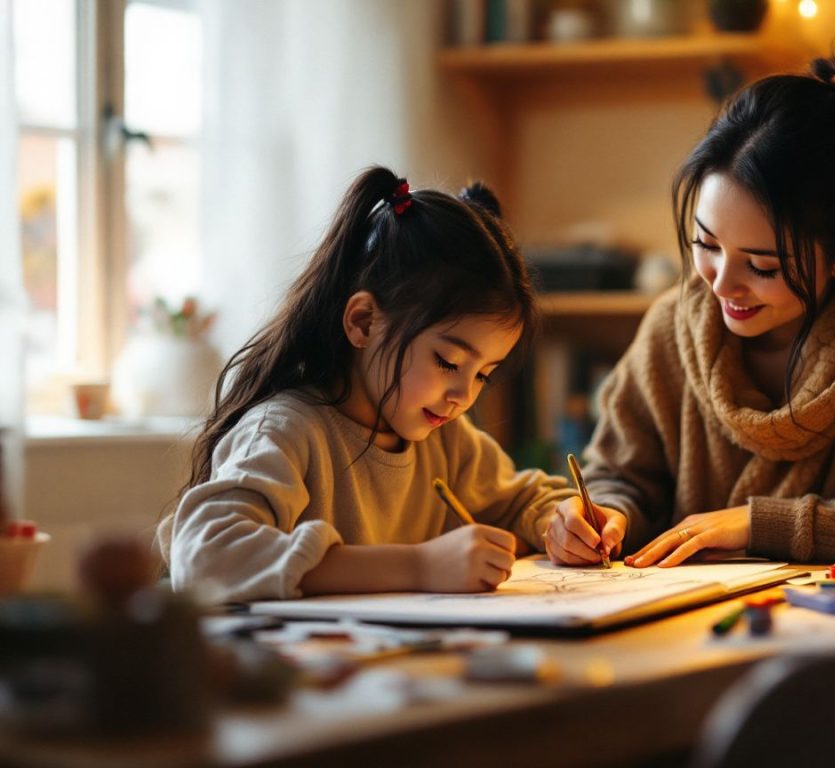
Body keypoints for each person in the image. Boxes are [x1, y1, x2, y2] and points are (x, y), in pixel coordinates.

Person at [543, 28, 835, 568]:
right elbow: (621, 477)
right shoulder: (672, 327)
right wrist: (604, 517)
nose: (721, 283)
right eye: (706, 244)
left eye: (762, 266)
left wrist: (755, 522)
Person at [158, 166, 573, 602]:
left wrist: (560, 522)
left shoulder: (446, 441)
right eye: (449, 362)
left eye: (483, 374)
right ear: (363, 321)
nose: (464, 396)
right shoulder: (284, 432)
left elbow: (522, 499)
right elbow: (205, 557)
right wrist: (420, 565)